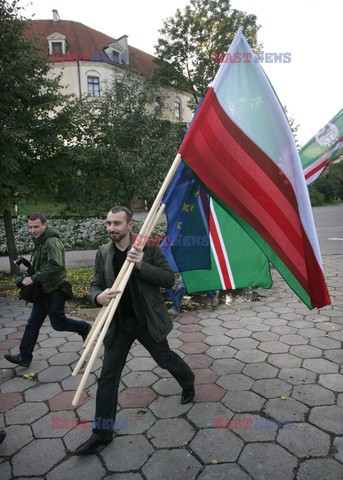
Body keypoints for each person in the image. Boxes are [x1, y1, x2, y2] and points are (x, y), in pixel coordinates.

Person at [75, 206, 195, 455]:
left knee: (164, 359)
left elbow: (168, 279)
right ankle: (102, 432)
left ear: (130, 225)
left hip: (145, 320)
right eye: (108, 223)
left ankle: (188, 380)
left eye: (116, 224)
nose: (111, 228)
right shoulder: (104, 252)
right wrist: (98, 297)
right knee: (108, 376)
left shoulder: (147, 248)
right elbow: (95, 283)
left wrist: (141, 266)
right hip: (118, 323)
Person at [5, 213, 91, 368]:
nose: (33, 230)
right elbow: (43, 264)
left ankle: (84, 328)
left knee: (58, 324)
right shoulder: (40, 241)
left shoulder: (51, 242)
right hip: (43, 291)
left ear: (45, 224)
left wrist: (34, 277)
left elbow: (56, 265)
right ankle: (24, 357)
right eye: (30, 227)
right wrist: (30, 270)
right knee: (32, 323)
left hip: (55, 290)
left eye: (36, 226)